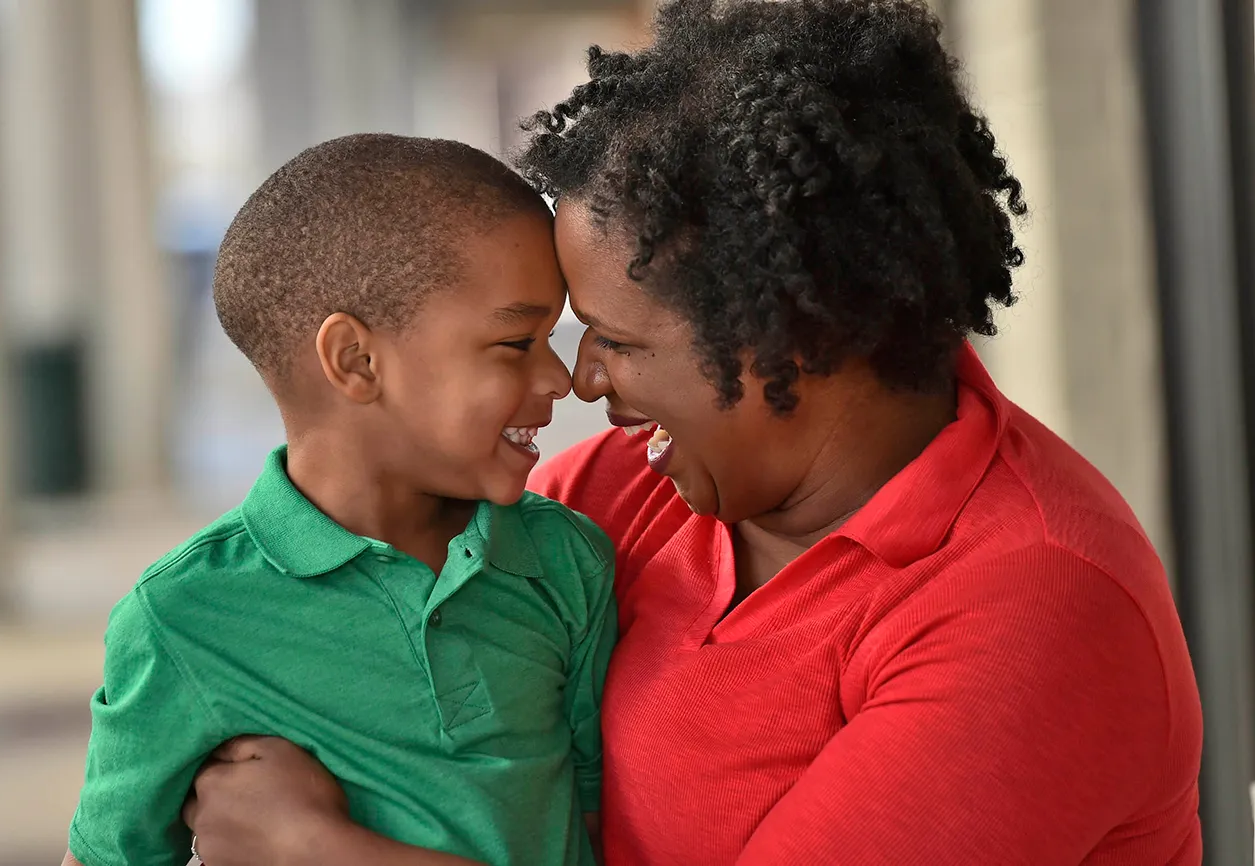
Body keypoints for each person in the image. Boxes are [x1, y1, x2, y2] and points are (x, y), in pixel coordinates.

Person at [181, 1, 1205, 864]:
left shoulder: (1036, 597)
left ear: (792, 332)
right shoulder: (621, 494)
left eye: (615, 340)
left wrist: (316, 849)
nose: (581, 378)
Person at [60, 134, 616, 866]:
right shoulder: (183, 616)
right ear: (355, 361)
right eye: (517, 342)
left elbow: (600, 822)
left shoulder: (565, 560)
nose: (560, 378)